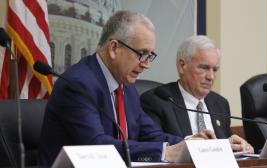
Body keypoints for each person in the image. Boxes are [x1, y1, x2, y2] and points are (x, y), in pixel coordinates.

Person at [38, 11, 209, 166]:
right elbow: (97, 147)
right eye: (142, 54)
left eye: (150, 56)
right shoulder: (77, 85)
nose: (146, 65)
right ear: (114, 48)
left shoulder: (126, 89)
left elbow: (152, 135)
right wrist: (164, 152)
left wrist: (194, 144)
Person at [140, 35, 254, 153]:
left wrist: (239, 148)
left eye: (214, 70)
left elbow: (225, 147)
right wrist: (194, 144)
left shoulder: (220, 103)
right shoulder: (157, 100)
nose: (211, 77)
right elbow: (153, 142)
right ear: (182, 66)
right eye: (204, 68)